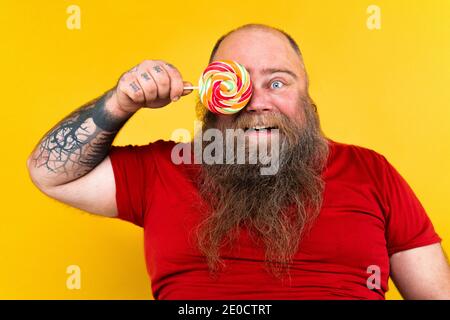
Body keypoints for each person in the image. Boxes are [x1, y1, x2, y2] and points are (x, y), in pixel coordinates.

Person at [26, 23, 450, 300]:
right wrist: (121, 102)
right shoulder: (165, 167)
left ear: (307, 96)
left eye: (277, 82)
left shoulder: (370, 171)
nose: (257, 103)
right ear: (212, 99)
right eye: (237, 83)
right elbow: (51, 174)